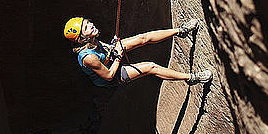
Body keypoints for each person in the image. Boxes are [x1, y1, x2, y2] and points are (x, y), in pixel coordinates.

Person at [64, 17, 213, 88]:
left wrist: (113, 47)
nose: (91, 25)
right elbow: (109, 75)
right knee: (150, 67)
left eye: (88, 22)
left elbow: (104, 48)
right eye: (86, 27)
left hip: (110, 58)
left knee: (143, 38)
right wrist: (118, 57)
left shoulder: (93, 40)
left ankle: (181, 31)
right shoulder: (88, 58)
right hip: (111, 74)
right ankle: (191, 77)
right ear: (81, 39)